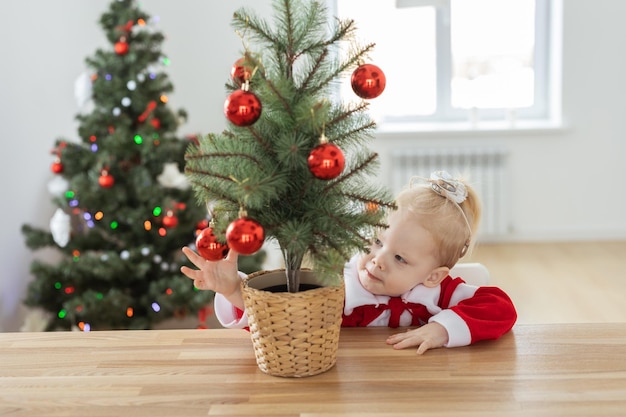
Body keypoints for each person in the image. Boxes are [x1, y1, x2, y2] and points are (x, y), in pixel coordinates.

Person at [181, 171, 517, 354]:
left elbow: (501, 307)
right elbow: (281, 318)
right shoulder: (338, 286)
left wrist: (443, 329)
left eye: (399, 258)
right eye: (376, 241)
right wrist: (233, 291)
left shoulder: (438, 293)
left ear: (433, 276)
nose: (377, 260)